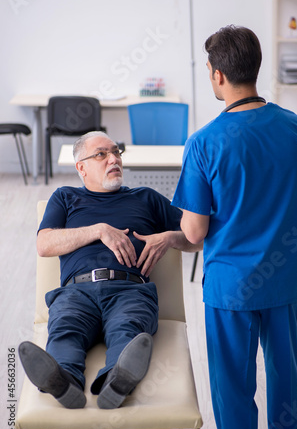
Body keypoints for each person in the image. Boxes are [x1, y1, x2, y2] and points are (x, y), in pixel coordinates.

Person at [172, 25, 297, 429]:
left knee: (232, 389)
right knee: (286, 381)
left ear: (218, 74)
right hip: (284, 283)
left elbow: (194, 232)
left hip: (230, 291)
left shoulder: (204, 143)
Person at [19, 131, 201, 410]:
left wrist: (169, 238)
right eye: (101, 154)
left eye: (116, 152)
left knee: (127, 328)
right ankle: (64, 381)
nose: (113, 159)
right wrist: (99, 230)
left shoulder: (146, 198)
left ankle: (116, 381)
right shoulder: (65, 197)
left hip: (130, 290)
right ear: (81, 167)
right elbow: (44, 244)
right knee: (66, 328)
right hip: (76, 291)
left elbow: (196, 237)